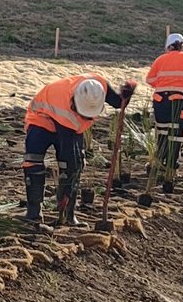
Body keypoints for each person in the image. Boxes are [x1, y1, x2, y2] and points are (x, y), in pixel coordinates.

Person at [22, 71, 136, 228]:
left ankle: (68, 215)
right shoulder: (64, 107)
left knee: (71, 166)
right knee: (34, 161)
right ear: (74, 102)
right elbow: (69, 150)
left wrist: (127, 93)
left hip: (70, 125)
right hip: (41, 120)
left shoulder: (99, 85)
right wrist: (72, 172)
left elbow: (118, 102)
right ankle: (33, 212)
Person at [143, 32, 183, 186]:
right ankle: (170, 173)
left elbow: (149, 79)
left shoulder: (160, 59)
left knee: (162, 133)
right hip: (177, 101)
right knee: (176, 136)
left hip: (159, 101)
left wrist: (162, 86)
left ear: (168, 47)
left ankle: (156, 166)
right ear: (182, 46)